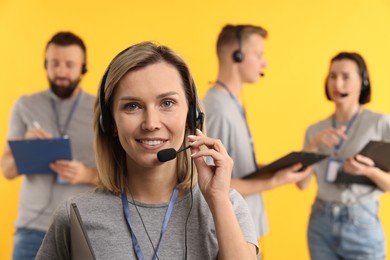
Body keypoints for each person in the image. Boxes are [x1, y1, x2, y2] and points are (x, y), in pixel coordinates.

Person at [36, 41, 259, 259]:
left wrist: (217, 199)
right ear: (110, 122)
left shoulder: (226, 205)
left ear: (192, 116)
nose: (151, 123)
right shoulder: (75, 215)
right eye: (132, 106)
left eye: (167, 103)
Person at [203, 24, 312, 242]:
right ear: (237, 54)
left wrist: (271, 169)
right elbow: (209, 181)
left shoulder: (232, 103)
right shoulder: (218, 109)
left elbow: (231, 167)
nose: (265, 63)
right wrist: (275, 181)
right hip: (233, 236)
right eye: (259, 54)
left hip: (246, 229)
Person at [1, 32, 98, 259]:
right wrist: (25, 145)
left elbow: (120, 176)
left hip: (82, 227)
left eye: (69, 64)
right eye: (54, 63)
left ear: (83, 67)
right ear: (45, 64)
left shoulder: (100, 110)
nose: (61, 72)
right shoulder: (25, 105)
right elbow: (7, 170)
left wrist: (86, 173)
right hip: (31, 229)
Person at [297, 52, 390, 259]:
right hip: (320, 221)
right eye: (332, 76)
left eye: (346, 77)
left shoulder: (381, 124)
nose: (337, 84)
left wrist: (368, 171)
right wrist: (312, 147)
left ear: (363, 81)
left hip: (361, 221)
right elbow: (301, 184)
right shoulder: (315, 131)